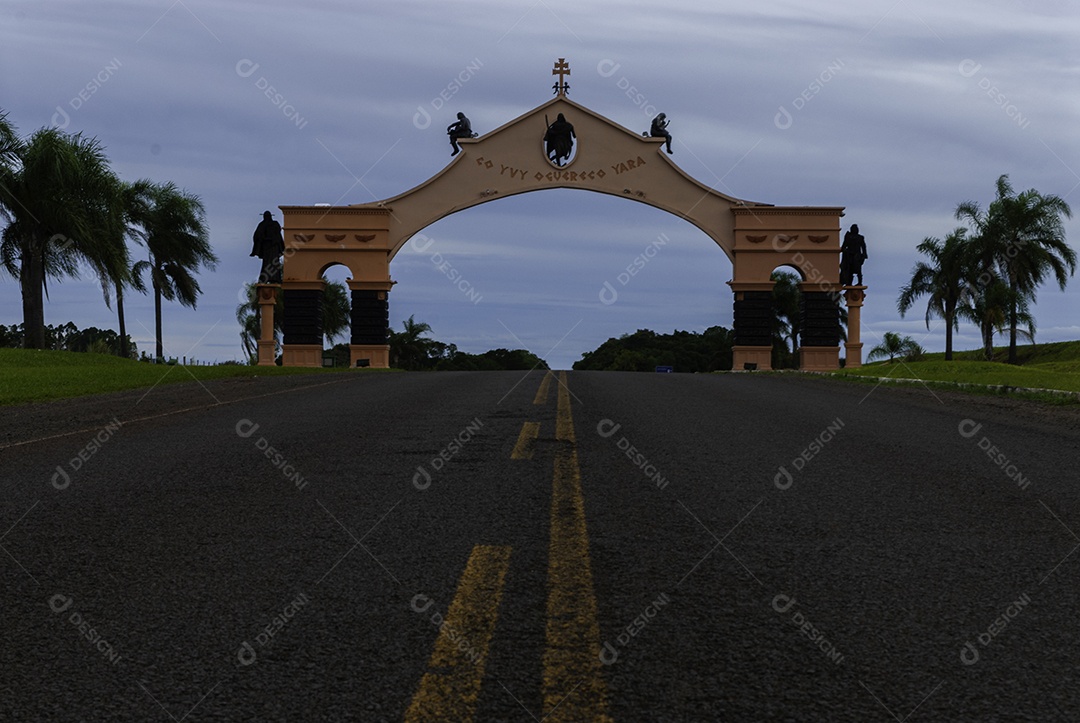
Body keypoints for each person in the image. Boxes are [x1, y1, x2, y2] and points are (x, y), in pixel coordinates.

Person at [251, 210, 285, 283]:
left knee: (270, 262)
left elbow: (257, 236)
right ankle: (272, 278)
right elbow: (258, 235)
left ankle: (272, 278)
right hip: (269, 247)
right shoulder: (270, 224)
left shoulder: (263, 224)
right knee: (269, 263)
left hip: (270, 247)